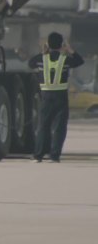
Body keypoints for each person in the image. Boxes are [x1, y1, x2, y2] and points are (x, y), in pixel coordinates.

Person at [28, 32, 84, 162]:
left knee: (43, 126)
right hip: (61, 97)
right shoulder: (65, 60)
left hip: (46, 96)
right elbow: (80, 61)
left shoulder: (41, 59)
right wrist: (70, 50)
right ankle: (54, 155)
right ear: (61, 45)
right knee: (59, 127)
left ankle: (39, 155)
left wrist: (43, 52)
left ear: (47, 44)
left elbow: (30, 63)